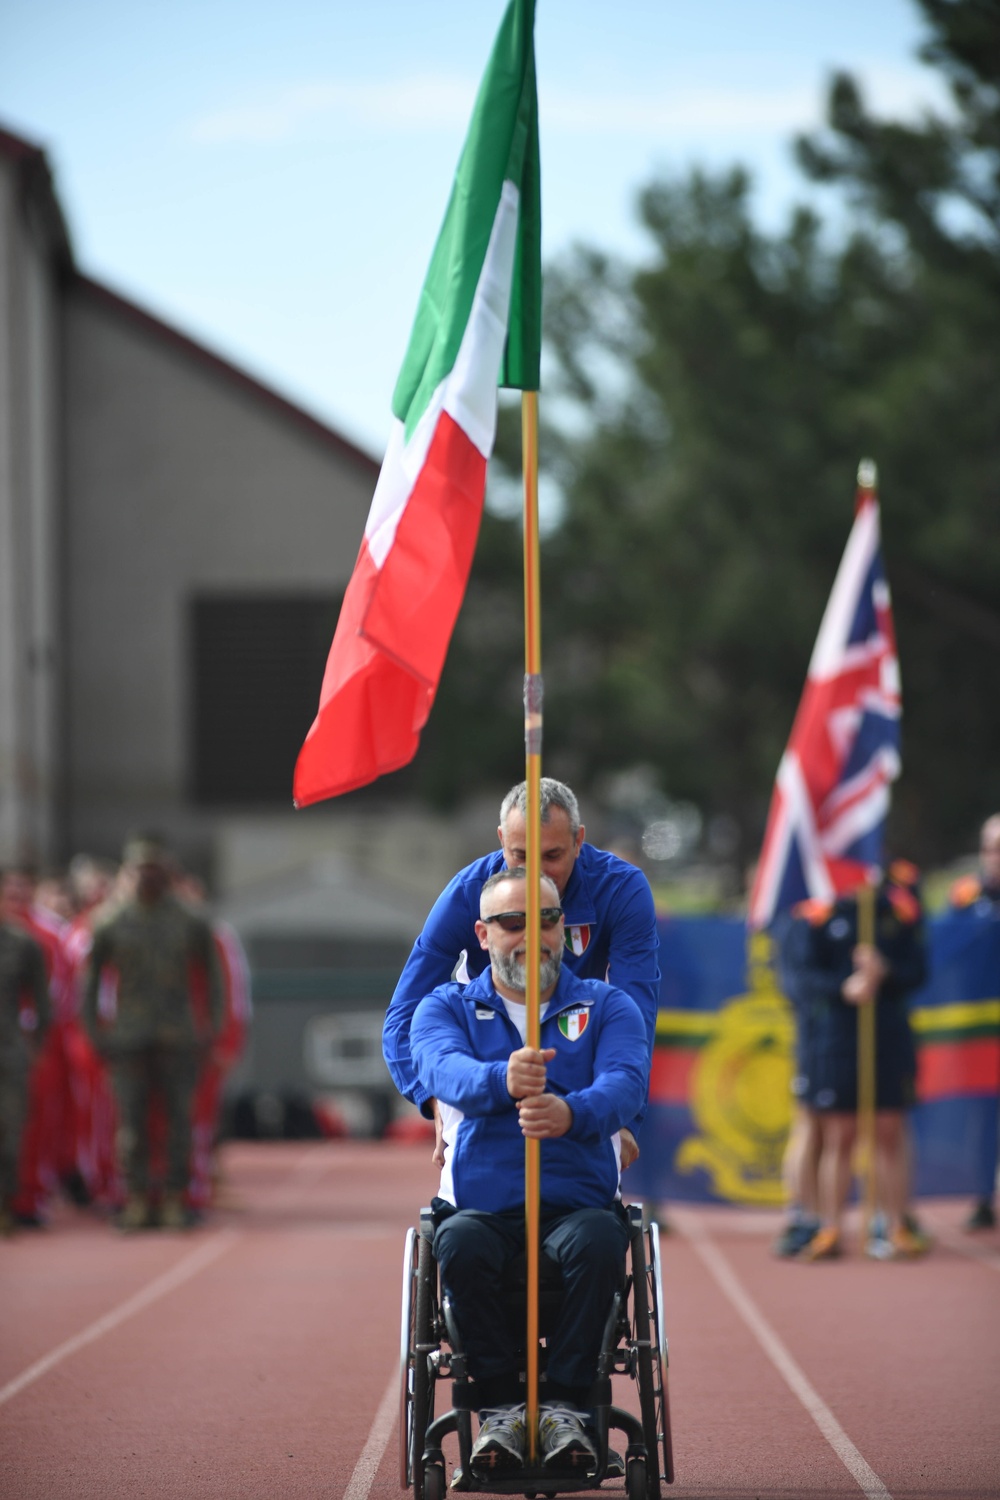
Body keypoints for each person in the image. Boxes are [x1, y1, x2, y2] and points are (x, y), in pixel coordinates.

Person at [408, 868, 647, 1475]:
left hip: (576, 1208)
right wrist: (500, 1081)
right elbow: (440, 1070)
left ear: (564, 928)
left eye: (546, 919)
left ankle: (565, 1405)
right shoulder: (446, 1007)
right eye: (513, 923)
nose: (531, 935)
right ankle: (499, 1410)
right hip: (481, 1210)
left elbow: (627, 1082)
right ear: (483, 934)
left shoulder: (605, 1004)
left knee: (599, 1243)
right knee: (456, 1243)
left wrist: (573, 1112)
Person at [383, 778, 660, 1169]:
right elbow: (404, 1013)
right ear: (501, 841)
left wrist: (626, 1119)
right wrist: (432, 1096)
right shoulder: (467, 893)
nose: (535, 877)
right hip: (487, 1058)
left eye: (552, 856)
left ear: (579, 842)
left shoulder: (621, 889)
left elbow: (636, 1010)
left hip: (580, 1051)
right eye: (520, 855)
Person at [779, 866, 928, 1261]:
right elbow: (800, 978)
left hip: (888, 1037)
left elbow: (918, 970)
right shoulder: (816, 913)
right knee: (838, 1135)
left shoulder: (895, 912)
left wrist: (885, 972)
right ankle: (829, 1228)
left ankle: (895, 1226)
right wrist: (844, 988)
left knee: (889, 1133)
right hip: (836, 1041)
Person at [82, 836, 224, 1231]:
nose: (148, 877)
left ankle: (177, 1198)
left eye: (155, 869)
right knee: (131, 1124)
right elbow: (90, 982)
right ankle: (137, 1199)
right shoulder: (109, 921)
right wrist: (94, 1031)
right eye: (140, 869)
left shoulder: (190, 919)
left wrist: (211, 1027)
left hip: (178, 1037)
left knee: (180, 1122)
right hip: (127, 1038)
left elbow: (213, 977)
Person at [949, 813, 1000, 1231]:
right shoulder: (964, 896)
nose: (995, 856)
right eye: (990, 847)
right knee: (984, 1116)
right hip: (981, 1031)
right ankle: (983, 1196)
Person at [0, 873, 51, 1235]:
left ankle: (6, 1204)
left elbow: (43, 1004)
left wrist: (34, 1046)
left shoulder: (23, 944)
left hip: (9, 1052)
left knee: (10, 1130)